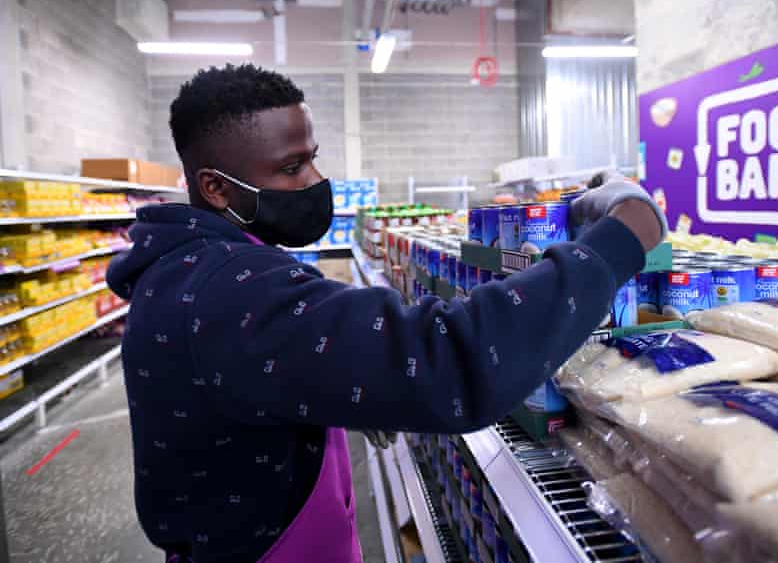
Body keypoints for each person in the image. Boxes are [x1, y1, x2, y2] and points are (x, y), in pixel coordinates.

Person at [106, 63, 666, 563]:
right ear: (215, 187)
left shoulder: (196, 264)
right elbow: (453, 360)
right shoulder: (231, 290)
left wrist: (333, 376)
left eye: (313, 159)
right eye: (291, 167)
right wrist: (622, 237)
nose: (314, 182)